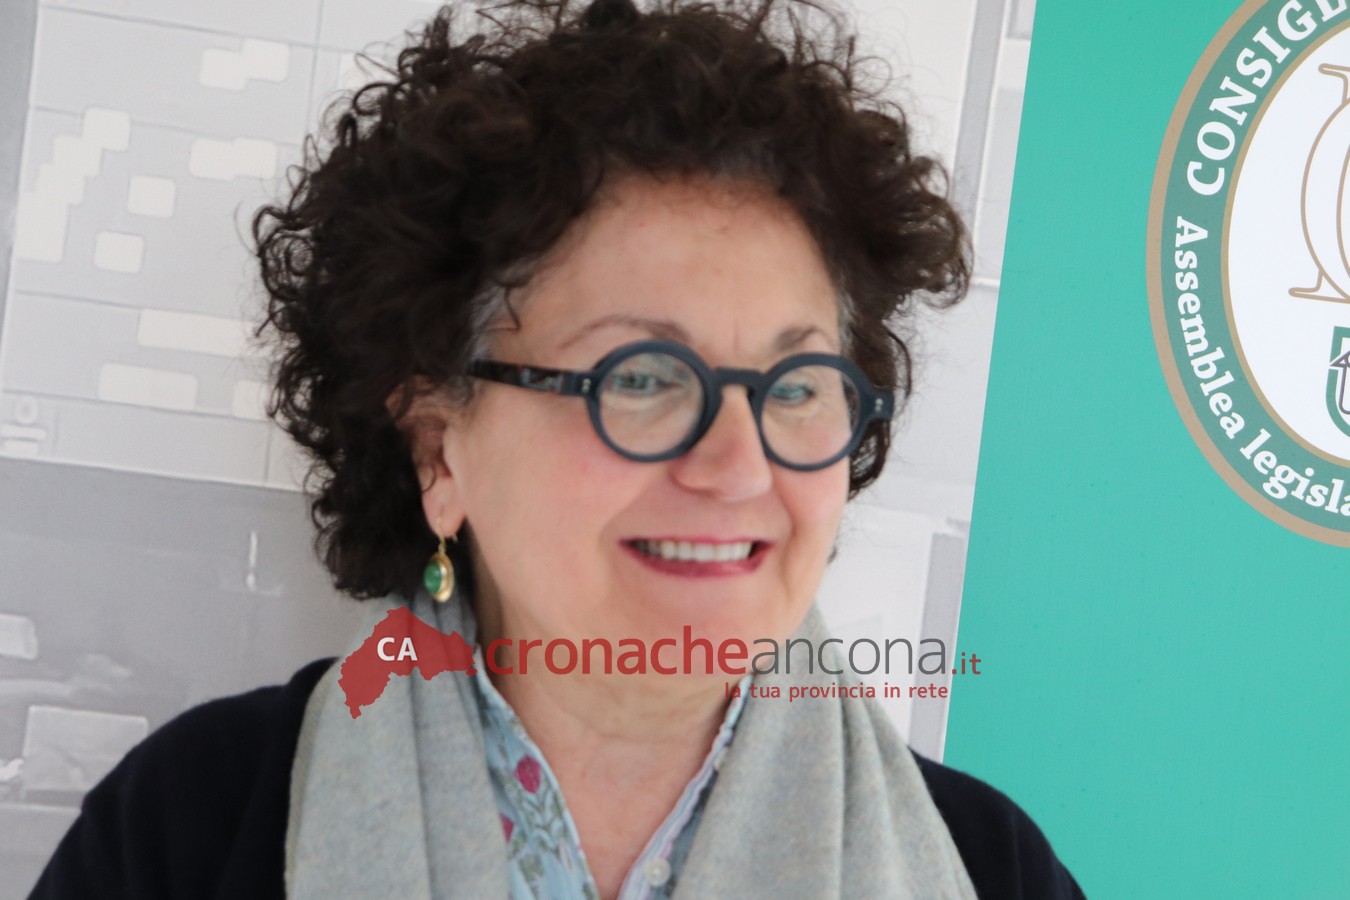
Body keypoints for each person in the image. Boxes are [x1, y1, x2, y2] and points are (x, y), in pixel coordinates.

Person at [30, 1, 1084, 897]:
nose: (740, 468)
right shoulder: (189, 830)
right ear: (439, 449)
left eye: (798, 386)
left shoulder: (990, 868)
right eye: (641, 379)